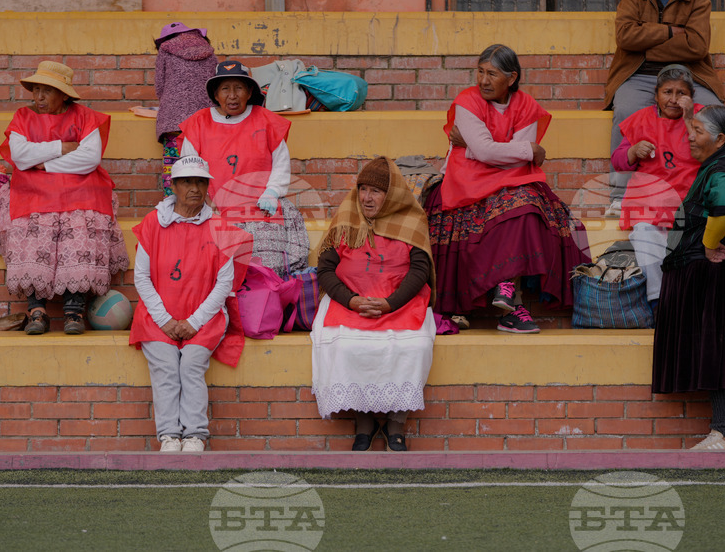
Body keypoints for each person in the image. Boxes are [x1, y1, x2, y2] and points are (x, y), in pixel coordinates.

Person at [424, 44, 591, 333]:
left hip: (508, 179)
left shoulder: (525, 105)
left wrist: (484, 150)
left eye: (492, 74)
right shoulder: (467, 101)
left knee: (528, 206)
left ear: (511, 78)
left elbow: (502, 158)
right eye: (480, 72)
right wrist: (528, 148)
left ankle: (508, 289)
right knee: (479, 215)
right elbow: (491, 153)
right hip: (463, 180)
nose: (483, 81)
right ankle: (510, 301)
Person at [652, 105, 725, 450]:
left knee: (719, 348)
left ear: (718, 139)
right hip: (723, 274)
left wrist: (708, 243)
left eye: (698, 131)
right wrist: (689, 113)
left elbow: (724, 206)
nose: (690, 136)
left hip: (715, 273)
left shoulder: (722, 170)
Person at [312, 157, 437, 452]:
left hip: (399, 304)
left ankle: (395, 422)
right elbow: (325, 269)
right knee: (348, 346)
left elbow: (420, 271)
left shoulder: (412, 221)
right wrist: (352, 300)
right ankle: (364, 422)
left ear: (391, 194)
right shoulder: (347, 219)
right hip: (350, 303)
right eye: (363, 189)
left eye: (376, 191)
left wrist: (390, 304)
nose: (367, 198)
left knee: (413, 346)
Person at [0, 61, 129, 335]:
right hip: (33, 191)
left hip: (80, 188)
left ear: (64, 94)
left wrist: (44, 163)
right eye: (36, 90)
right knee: (31, 228)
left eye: (47, 91)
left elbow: (89, 159)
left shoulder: (85, 117)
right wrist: (61, 147)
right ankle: (37, 311)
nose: (39, 97)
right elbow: (20, 156)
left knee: (80, 224)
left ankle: (74, 311)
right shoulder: (23, 116)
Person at [129, 155, 248, 453]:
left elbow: (224, 283)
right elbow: (141, 277)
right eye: (186, 182)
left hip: (204, 319)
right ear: (173, 186)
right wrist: (166, 321)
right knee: (166, 368)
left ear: (208, 187)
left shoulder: (220, 226)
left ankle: (195, 434)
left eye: (200, 182)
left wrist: (193, 322)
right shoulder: (153, 222)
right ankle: (169, 435)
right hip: (158, 318)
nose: (194, 188)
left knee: (192, 365)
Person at [603, 0, 724, 218]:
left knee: (716, 115)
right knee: (625, 111)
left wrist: (645, 38)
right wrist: (670, 32)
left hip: (687, 75)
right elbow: (625, 38)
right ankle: (620, 197)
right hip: (638, 73)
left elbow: (696, 47)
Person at [179, 60, 308, 276]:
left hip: (260, 212)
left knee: (264, 276)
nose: (232, 95)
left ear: (249, 92)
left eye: (239, 88)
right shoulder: (198, 123)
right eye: (225, 89)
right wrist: (205, 205)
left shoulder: (266, 120)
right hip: (214, 213)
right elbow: (190, 170)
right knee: (214, 275)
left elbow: (281, 162)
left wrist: (272, 192)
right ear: (215, 94)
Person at [612, 64, 702, 313]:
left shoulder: (703, 118)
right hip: (649, 201)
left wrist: (688, 119)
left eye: (681, 93)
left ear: (691, 97)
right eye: (667, 92)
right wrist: (632, 151)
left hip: (690, 199)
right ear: (656, 94)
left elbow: (714, 152)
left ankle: (687, 305)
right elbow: (618, 161)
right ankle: (659, 302)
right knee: (645, 234)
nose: (674, 99)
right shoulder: (641, 120)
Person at [153, 22, 218, 196]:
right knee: (202, 166)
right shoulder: (209, 52)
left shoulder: (165, 50)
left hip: (173, 121)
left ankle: (172, 203)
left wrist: (168, 102)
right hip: (204, 121)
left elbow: (160, 85)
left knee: (174, 167)